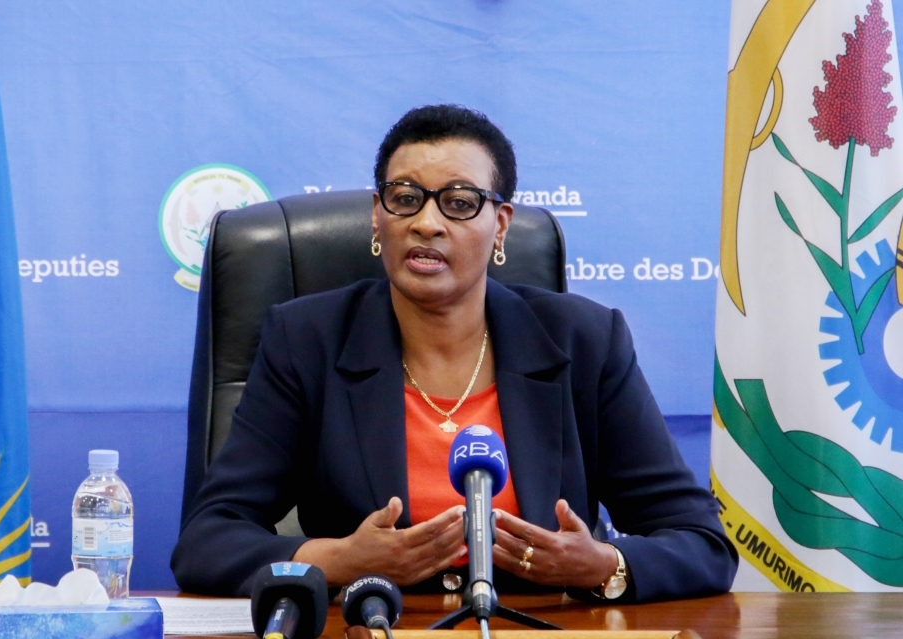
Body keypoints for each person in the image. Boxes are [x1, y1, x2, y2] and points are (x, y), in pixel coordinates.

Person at [171, 105, 738, 602]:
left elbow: (702, 543)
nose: (426, 223)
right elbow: (207, 541)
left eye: (460, 203)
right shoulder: (307, 341)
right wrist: (345, 560)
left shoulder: (584, 341)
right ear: (377, 216)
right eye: (405, 199)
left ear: (501, 226)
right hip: (373, 636)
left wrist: (601, 567)